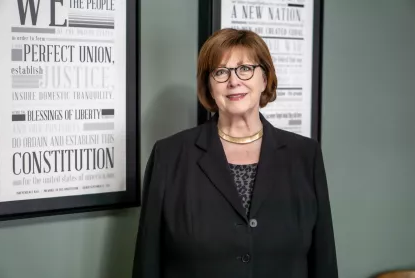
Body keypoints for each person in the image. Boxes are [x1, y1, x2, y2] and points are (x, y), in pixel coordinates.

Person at [132, 28, 338, 278]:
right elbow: (147, 263)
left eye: (245, 68)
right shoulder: (169, 156)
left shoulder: (306, 155)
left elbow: (323, 261)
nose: (233, 81)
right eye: (220, 72)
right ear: (209, 86)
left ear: (265, 78)